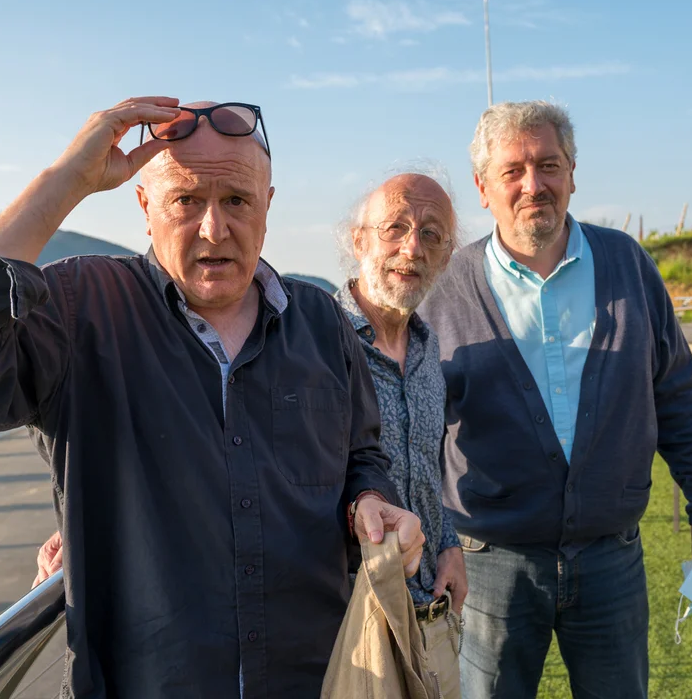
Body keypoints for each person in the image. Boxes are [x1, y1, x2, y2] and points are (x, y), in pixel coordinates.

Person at [0, 97, 425, 698]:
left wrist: (371, 499)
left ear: (267, 206)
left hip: (319, 677)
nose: (214, 229)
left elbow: (360, 454)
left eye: (236, 201)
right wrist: (67, 179)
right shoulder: (81, 306)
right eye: (186, 201)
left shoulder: (320, 319)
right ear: (144, 206)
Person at [32, 170, 470, 698]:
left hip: (414, 615)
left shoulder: (427, 348)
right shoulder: (314, 330)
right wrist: (91, 522)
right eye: (395, 227)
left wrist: (445, 542)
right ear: (359, 241)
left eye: (431, 234)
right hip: (342, 633)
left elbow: (392, 461)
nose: (412, 248)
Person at [417, 100, 692, 699]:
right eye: (512, 171)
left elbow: (676, 394)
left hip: (611, 558)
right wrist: (434, 541)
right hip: (489, 566)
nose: (533, 185)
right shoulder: (443, 288)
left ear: (572, 173)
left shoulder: (628, 265)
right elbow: (417, 430)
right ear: (483, 188)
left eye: (548, 165)